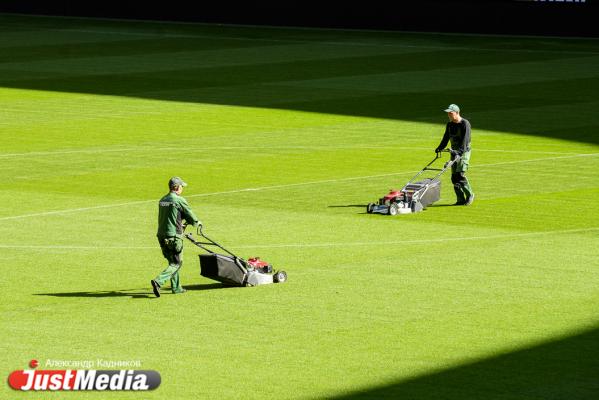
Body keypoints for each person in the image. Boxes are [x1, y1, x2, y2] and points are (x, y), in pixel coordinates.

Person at [151, 177, 200, 297]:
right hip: (174, 236)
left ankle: (176, 287)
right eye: (181, 186)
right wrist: (197, 223)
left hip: (161, 235)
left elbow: (171, 216)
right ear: (177, 187)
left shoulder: (163, 200)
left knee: (172, 262)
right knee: (177, 263)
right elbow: (189, 213)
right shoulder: (178, 200)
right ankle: (158, 281)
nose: (182, 188)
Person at [435, 104, 475, 206]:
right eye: (448, 113)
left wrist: (459, 152)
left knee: (460, 175)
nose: (449, 115)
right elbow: (446, 137)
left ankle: (470, 195)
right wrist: (440, 147)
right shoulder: (449, 124)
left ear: (457, 113)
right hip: (454, 152)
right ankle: (460, 199)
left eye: (451, 113)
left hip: (464, 152)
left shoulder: (465, 124)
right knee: (454, 177)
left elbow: (465, 141)